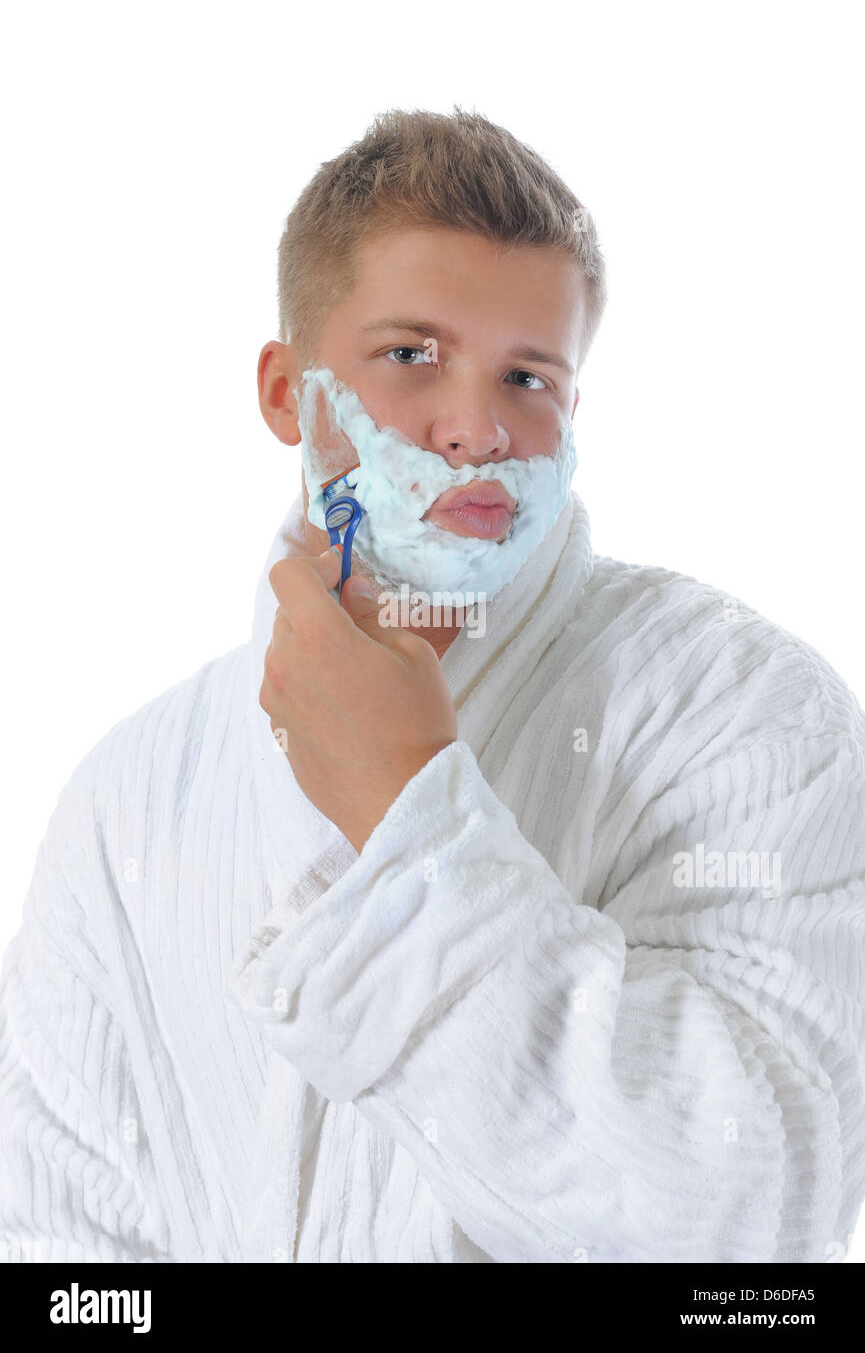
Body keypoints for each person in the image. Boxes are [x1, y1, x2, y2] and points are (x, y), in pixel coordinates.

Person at [1, 106, 863, 1265]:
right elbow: (63, 1247)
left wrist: (408, 812)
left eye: (527, 376)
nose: (479, 430)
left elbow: (745, 1227)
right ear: (285, 393)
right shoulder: (128, 801)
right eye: (412, 355)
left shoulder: (748, 718)